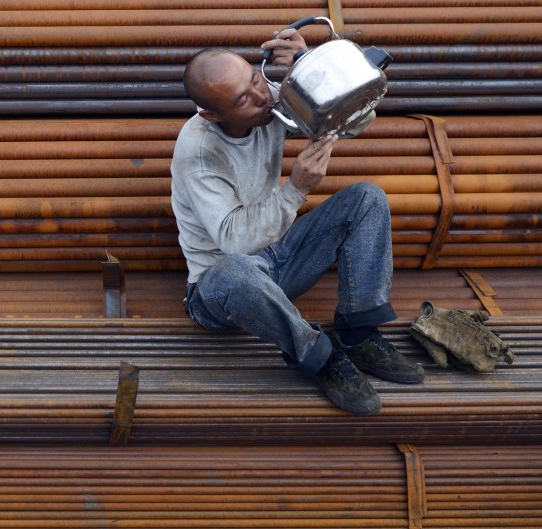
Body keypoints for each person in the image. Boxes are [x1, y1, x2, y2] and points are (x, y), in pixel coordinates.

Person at [170, 27, 423, 416]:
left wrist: (312, 72)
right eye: (242, 99)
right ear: (212, 114)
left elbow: (357, 120)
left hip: (279, 259)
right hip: (218, 291)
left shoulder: (271, 101)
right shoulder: (199, 151)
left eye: (255, 79)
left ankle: (358, 334)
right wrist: (296, 188)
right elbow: (235, 243)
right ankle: (322, 359)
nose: (260, 96)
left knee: (366, 199)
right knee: (235, 269)